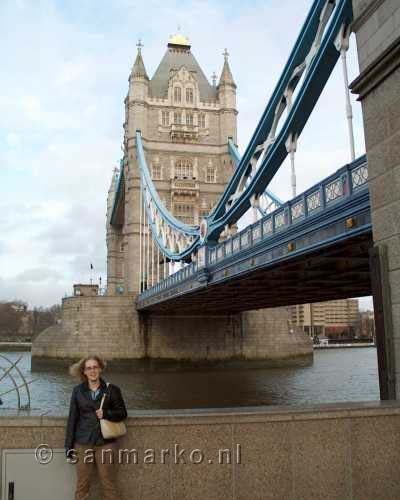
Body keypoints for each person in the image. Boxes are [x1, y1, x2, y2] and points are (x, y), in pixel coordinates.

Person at [65, 355, 128, 500]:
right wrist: (68, 446)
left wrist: (106, 413)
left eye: (95, 367)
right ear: (84, 372)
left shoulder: (112, 390)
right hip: (82, 442)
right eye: (89, 368)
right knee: (82, 485)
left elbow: (122, 413)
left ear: (100, 369)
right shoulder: (77, 391)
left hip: (105, 443)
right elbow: (72, 418)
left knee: (108, 484)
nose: (92, 371)